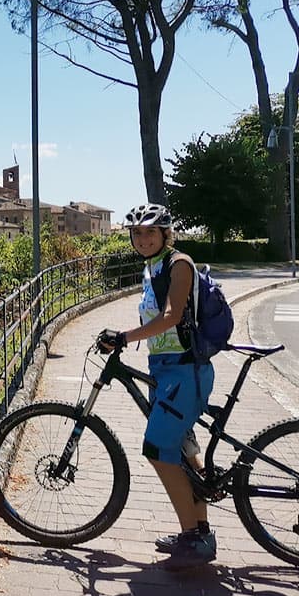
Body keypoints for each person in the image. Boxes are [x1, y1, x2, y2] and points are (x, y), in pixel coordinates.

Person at [96, 203, 216, 569]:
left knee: (157, 448)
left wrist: (124, 337)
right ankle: (197, 531)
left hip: (185, 372)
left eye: (151, 232)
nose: (143, 239)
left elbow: (172, 316)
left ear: (166, 233)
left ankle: (195, 541)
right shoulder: (152, 268)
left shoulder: (179, 264)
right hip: (165, 370)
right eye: (137, 234)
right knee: (183, 453)